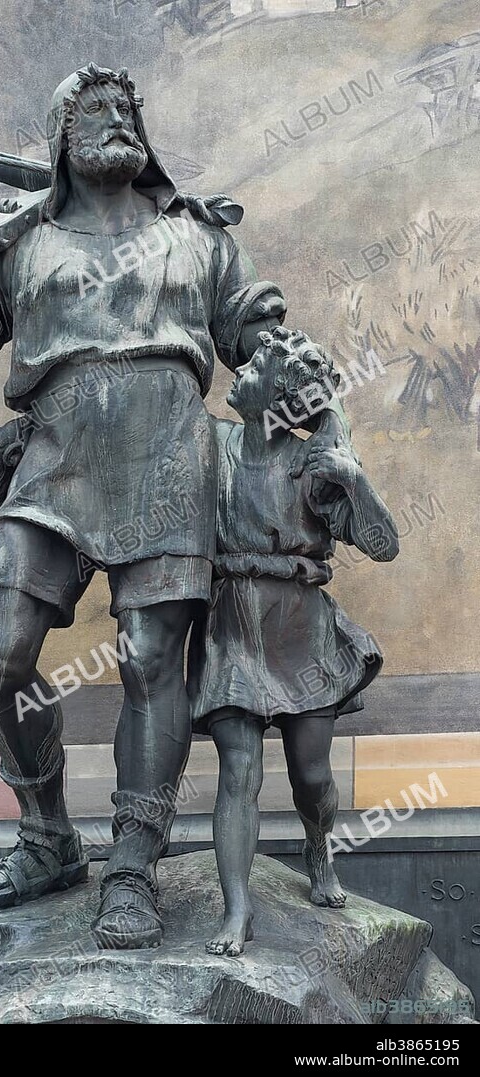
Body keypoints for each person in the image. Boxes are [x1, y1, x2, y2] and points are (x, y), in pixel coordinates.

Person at [0, 63, 299, 949]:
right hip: (54, 460)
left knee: (153, 661)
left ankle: (133, 867)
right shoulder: (20, 242)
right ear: (60, 138)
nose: (119, 120)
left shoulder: (199, 236)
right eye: (97, 110)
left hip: (171, 459)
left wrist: (294, 393)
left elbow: (262, 338)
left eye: (128, 109)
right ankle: (48, 838)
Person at [187, 326, 399, 956]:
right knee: (240, 769)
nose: (239, 374)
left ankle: (318, 850)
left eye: (253, 371)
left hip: (302, 631)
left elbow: (385, 546)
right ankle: (238, 910)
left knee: (311, 774)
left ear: (278, 398)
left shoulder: (310, 466)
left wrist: (354, 478)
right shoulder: (214, 445)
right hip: (233, 628)